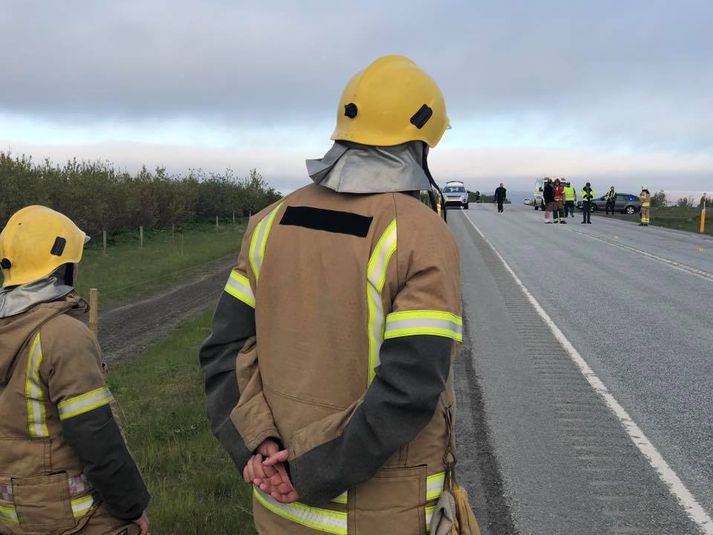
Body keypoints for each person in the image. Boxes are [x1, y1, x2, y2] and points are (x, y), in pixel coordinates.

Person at [199, 55, 469, 534]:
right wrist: (309, 470)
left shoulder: (269, 223)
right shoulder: (418, 234)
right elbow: (410, 387)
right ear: (420, 142)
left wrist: (257, 446)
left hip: (278, 508)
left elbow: (223, 350)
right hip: (382, 514)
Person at [0, 206, 150, 535]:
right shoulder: (62, 335)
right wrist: (131, 507)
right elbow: (95, 434)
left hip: (12, 517)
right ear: (64, 267)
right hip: (74, 518)